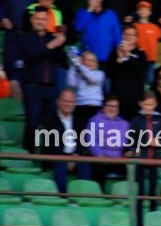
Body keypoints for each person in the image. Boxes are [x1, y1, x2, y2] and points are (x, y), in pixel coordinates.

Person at [18, 5, 66, 152]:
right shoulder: (25, 37)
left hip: (50, 85)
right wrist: (50, 46)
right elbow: (30, 56)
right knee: (33, 120)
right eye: (38, 18)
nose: (40, 22)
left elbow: (63, 62)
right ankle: (29, 155)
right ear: (32, 20)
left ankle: (47, 158)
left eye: (44, 19)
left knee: (49, 123)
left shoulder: (53, 37)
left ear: (48, 21)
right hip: (32, 85)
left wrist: (60, 44)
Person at [127, 89, 161, 225]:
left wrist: (159, 143)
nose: (148, 108)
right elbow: (131, 143)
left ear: (155, 104)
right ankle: (139, 224)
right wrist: (145, 144)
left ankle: (152, 223)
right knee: (140, 193)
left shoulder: (160, 119)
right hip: (140, 161)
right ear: (140, 104)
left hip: (155, 160)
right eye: (146, 105)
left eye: (151, 105)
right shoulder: (136, 120)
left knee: (153, 194)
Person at [41, 87, 91, 192]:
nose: (68, 104)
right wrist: (66, 158)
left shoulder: (78, 121)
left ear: (75, 104)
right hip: (56, 156)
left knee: (84, 164)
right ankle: (62, 198)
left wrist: (76, 155)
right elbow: (49, 144)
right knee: (60, 165)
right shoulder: (49, 119)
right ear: (59, 102)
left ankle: (85, 197)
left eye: (71, 102)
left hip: (75, 156)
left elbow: (83, 143)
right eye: (65, 101)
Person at [86, 94, 130, 187]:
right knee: (97, 167)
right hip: (101, 158)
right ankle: (99, 198)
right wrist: (100, 155)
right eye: (109, 105)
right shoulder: (94, 120)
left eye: (115, 106)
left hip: (120, 159)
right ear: (103, 106)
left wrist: (129, 151)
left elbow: (131, 142)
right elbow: (91, 140)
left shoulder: (125, 124)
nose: (112, 108)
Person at [106, 23, 148, 120]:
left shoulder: (141, 54)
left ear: (136, 38)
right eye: (126, 34)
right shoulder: (114, 52)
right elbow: (109, 73)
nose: (128, 36)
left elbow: (141, 72)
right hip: (117, 102)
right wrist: (119, 59)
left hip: (134, 102)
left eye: (131, 34)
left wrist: (128, 55)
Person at [74, 0, 122, 68]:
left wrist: (118, 54)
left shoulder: (111, 14)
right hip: (88, 61)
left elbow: (117, 37)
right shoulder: (82, 13)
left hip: (107, 59)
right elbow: (79, 28)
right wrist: (89, 10)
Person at [67, 49, 105, 124]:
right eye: (87, 60)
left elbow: (91, 78)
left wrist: (79, 65)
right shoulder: (80, 73)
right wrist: (74, 64)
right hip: (79, 105)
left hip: (94, 106)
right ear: (82, 61)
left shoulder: (100, 73)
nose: (90, 63)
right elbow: (71, 83)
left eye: (92, 60)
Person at [134, 0, 161, 84]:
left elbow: (160, 38)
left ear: (150, 12)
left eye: (146, 9)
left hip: (151, 59)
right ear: (138, 12)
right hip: (138, 59)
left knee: (150, 81)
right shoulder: (134, 26)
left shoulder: (155, 27)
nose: (143, 11)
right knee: (139, 81)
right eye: (141, 9)